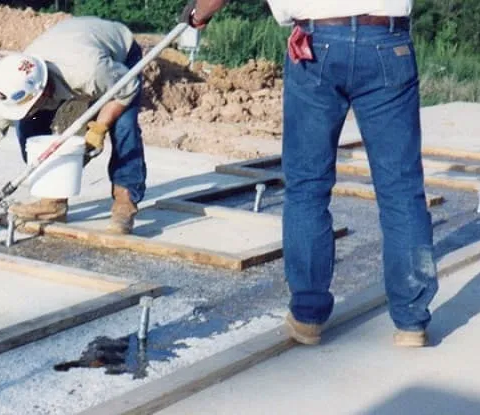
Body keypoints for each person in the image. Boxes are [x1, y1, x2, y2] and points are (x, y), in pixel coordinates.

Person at [181, 0, 439, 347]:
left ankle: (308, 317)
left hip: (317, 46)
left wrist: (199, 13)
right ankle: (411, 322)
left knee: (307, 186)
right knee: (401, 190)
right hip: (386, 40)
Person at [0, 16, 147, 235]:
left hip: (118, 54)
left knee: (123, 125)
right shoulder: (12, 85)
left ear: (45, 91)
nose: (25, 112)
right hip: (69, 44)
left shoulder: (87, 71)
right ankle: (53, 200)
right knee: (29, 129)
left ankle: (124, 200)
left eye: (29, 105)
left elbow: (127, 88)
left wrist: (100, 126)